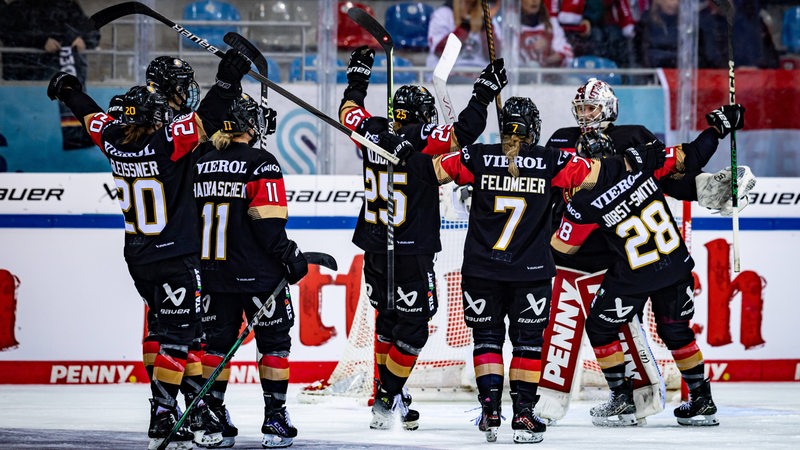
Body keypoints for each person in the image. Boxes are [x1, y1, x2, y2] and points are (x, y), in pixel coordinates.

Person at [390, 96, 665, 443]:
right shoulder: (553, 160)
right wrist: (634, 161)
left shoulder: (475, 156)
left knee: (486, 339)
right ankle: (522, 415)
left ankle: (490, 409)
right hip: (531, 272)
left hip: (480, 269)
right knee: (528, 345)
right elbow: (598, 174)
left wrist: (402, 149)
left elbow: (431, 172)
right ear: (533, 129)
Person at [46, 47, 252, 450]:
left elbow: (92, 115)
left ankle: (193, 408)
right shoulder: (167, 144)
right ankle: (162, 415)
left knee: (175, 333)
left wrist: (69, 89)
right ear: (156, 118)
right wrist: (226, 81)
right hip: (176, 257)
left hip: (139, 257)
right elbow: (206, 118)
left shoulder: (114, 141)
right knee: (180, 338)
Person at [339, 45, 507, 430]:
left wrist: (358, 80)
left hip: (375, 246)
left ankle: (387, 394)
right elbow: (463, 133)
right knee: (413, 328)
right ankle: (386, 397)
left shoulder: (372, 132)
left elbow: (349, 113)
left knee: (387, 321)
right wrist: (482, 93)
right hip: (410, 250)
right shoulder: (421, 138)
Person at [550, 138, 722, 427]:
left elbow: (563, 247)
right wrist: (717, 130)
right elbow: (688, 156)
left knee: (599, 326)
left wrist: (557, 216)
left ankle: (621, 400)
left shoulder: (584, 200)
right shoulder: (641, 164)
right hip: (676, 265)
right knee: (677, 331)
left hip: (636, 276)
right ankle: (702, 400)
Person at [193, 93, 306, 448]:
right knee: (274, 342)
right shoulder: (262, 163)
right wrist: (290, 255)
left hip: (212, 273)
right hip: (258, 274)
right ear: (246, 125)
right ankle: (274, 419)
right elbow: (267, 223)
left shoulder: (200, 160)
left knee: (215, 344)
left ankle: (211, 418)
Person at [0, 0, 101, 150]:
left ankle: (77, 139)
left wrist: (81, 39)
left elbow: (93, 33)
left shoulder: (68, 6)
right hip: (27, 77)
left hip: (60, 77)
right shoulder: (19, 8)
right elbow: (7, 34)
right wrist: (40, 42)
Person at [427, 0, 501, 81]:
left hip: (481, 76)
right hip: (450, 74)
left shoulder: (486, 14)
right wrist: (465, 25)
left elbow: (494, 55)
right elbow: (440, 51)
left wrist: (484, 24)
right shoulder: (442, 14)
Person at [556, 0, 635, 67]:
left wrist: (627, 23)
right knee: (597, 37)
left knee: (616, 38)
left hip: (608, 26)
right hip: (585, 26)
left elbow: (623, 8)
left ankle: (620, 74)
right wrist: (587, 20)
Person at [519, 0, 573, 69]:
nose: (534, 1)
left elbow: (568, 55)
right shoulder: (511, 26)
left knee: (574, 80)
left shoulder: (552, 24)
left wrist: (549, 49)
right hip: (523, 77)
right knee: (533, 66)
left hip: (549, 77)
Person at [633, 0, 679, 68]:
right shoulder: (646, 20)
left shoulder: (690, 23)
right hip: (651, 71)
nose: (672, 3)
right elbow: (637, 50)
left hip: (680, 71)